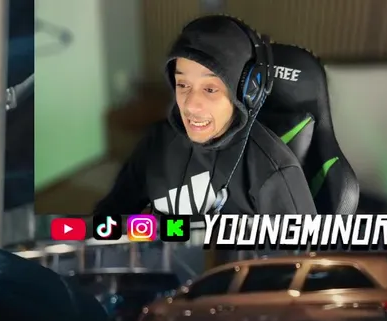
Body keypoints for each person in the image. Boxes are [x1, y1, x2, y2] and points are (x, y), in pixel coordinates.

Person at [94, 15, 316, 216]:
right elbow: (109, 216)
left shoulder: (274, 172)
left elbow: (300, 248)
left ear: (246, 92)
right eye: (183, 85)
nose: (190, 105)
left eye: (210, 89)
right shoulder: (156, 143)